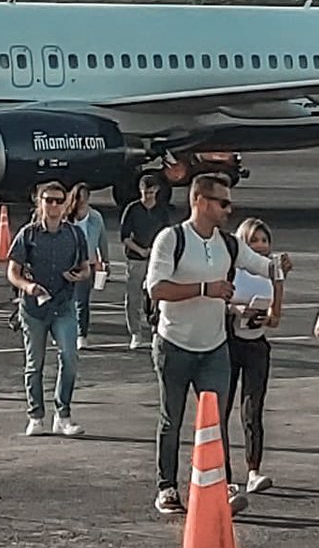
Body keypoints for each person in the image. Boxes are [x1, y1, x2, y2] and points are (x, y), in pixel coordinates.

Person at [146, 174, 289, 516]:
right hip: (174, 344)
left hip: (214, 347)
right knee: (172, 419)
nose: (229, 209)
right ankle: (167, 487)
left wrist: (279, 268)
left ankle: (221, 486)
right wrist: (204, 289)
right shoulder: (172, 239)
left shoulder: (229, 244)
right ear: (200, 202)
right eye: (222, 202)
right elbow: (157, 289)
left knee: (215, 422)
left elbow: (266, 267)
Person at [5, 181, 90, 436]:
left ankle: (63, 414)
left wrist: (80, 275)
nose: (53, 205)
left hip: (63, 304)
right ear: (39, 202)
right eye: (48, 200)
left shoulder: (75, 234)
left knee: (69, 357)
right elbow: (13, 271)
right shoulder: (28, 234)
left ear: (65, 204)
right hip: (34, 308)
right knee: (35, 364)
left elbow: (86, 266)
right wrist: (28, 287)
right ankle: (36, 414)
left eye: (57, 200)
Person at [222, 217, 283, 496]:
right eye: (254, 240)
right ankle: (223, 474)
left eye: (264, 240)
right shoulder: (232, 270)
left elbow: (276, 319)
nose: (260, 246)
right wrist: (237, 311)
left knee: (252, 410)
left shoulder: (271, 273)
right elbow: (219, 300)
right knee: (221, 410)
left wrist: (263, 317)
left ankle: (254, 470)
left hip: (256, 343)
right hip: (229, 342)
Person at [120, 174, 171, 349]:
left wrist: (156, 251)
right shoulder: (132, 209)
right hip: (136, 258)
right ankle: (135, 332)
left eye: (150, 192)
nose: (147, 196)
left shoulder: (162, 211)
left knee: (155, 296)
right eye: (144, 192)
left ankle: (155, 328)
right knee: (133, 297)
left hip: (156, 260)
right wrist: (140, 250)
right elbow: (125, 236)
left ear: (156, 191)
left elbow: (167, 235)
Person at [67, 182, 109, 349]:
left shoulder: (95, 218)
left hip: (88, 263)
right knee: (66, 300)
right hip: (68, 263)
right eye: (79, 197)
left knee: (82, 302)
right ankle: (63, 331)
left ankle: (81, 334)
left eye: (85, 197)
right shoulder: (67, 218)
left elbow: (102, 240)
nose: (82, 201)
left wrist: (105, 260)